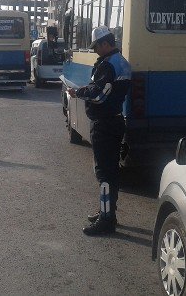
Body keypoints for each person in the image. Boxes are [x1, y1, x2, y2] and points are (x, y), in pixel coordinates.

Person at [68, 25, 131, 235]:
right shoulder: (121, 62)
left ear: (106, 43)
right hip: (114, 121)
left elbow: (98, 94)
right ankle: (108, 212)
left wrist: (78, 92)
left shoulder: (108, 65)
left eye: (96, 46)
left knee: (104, 173)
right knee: (111, 172)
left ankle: (106, 220)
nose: (95, 50)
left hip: (104, 125)